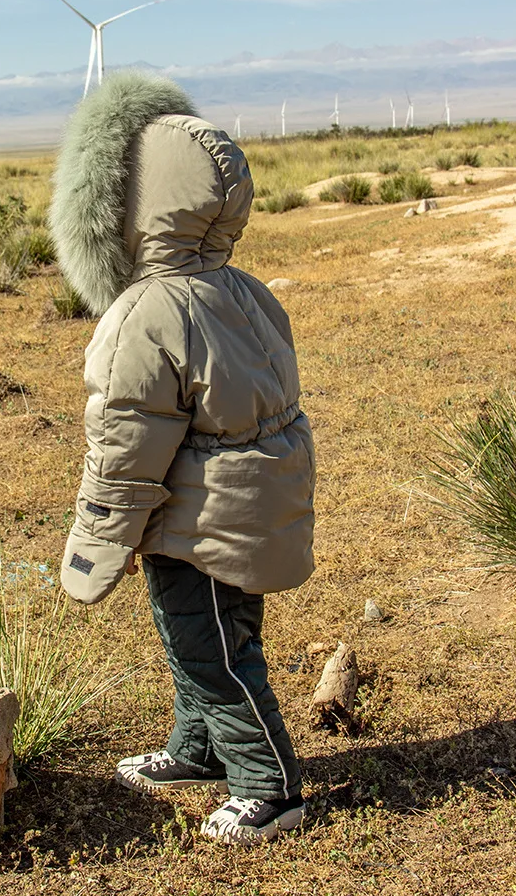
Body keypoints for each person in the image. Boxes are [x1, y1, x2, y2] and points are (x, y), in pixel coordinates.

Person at [50, 71, 316, 846]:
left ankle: (271, 787)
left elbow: (126, 448)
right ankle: (194, 751)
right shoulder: (243, 288)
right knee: (206, 636)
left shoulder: (147, 310)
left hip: (195, 515)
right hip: (246, 505)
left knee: (213, 653)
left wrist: (100, 544)